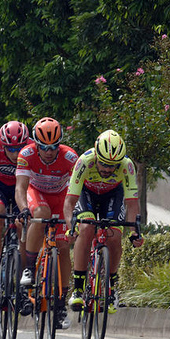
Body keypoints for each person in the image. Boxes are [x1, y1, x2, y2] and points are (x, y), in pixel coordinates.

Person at [63, 130, 144, 314]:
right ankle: (78, 287)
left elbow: (132, 204)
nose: (108, 169)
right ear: (96, 156)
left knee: (115, 235)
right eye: (104, 164)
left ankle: (111, 286)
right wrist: (71, 227)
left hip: (112, 195)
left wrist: (134, 233)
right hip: (87, 193)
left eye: (112, 166)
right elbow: (69, 202)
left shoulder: (127, 166)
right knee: (86, 228)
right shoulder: (84, 161)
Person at [15, 117, 78, 327]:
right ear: (36, 144)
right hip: (37, 194)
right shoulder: (26, 154)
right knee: (40, 214)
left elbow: (75, 191)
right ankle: (29, 268)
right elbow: (20, 188)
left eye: (53, 147)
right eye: (43, 147)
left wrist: (74, 219)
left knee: (62, 246)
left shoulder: (70, 157)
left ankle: (60, 305)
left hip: (62, 199)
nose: (49, 151)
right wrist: (24, 209)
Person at [0, 120, 32, 301]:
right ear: (2, 144)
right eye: (10, 149)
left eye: (19, 148)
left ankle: (25, 280)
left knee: (23, 224)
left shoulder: (32, 149)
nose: (15, 153)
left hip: (22, 189)